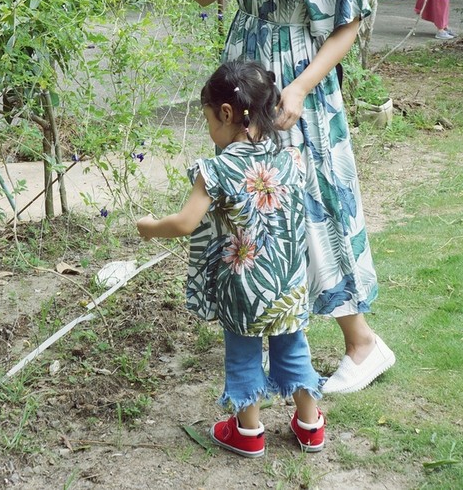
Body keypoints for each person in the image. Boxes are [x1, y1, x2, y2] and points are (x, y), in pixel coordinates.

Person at [109, 0, 395, 395]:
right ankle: (270, 333)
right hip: (242, 80)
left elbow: (349, 23)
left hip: (297, 87)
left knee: (312, 204)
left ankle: (362, 342)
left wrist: (299, 90)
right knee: (250, 207)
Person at [137, 60, 325, 457]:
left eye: (209, 120)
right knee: (293, 349)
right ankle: (310, 427)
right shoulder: (292, 158)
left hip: (242, 287)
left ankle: (249, 432)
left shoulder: (218, 168)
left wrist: (151, 226)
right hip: (288, 283)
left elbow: (186, 223)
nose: (210, 130)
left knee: (242, 355)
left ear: (226, 113)